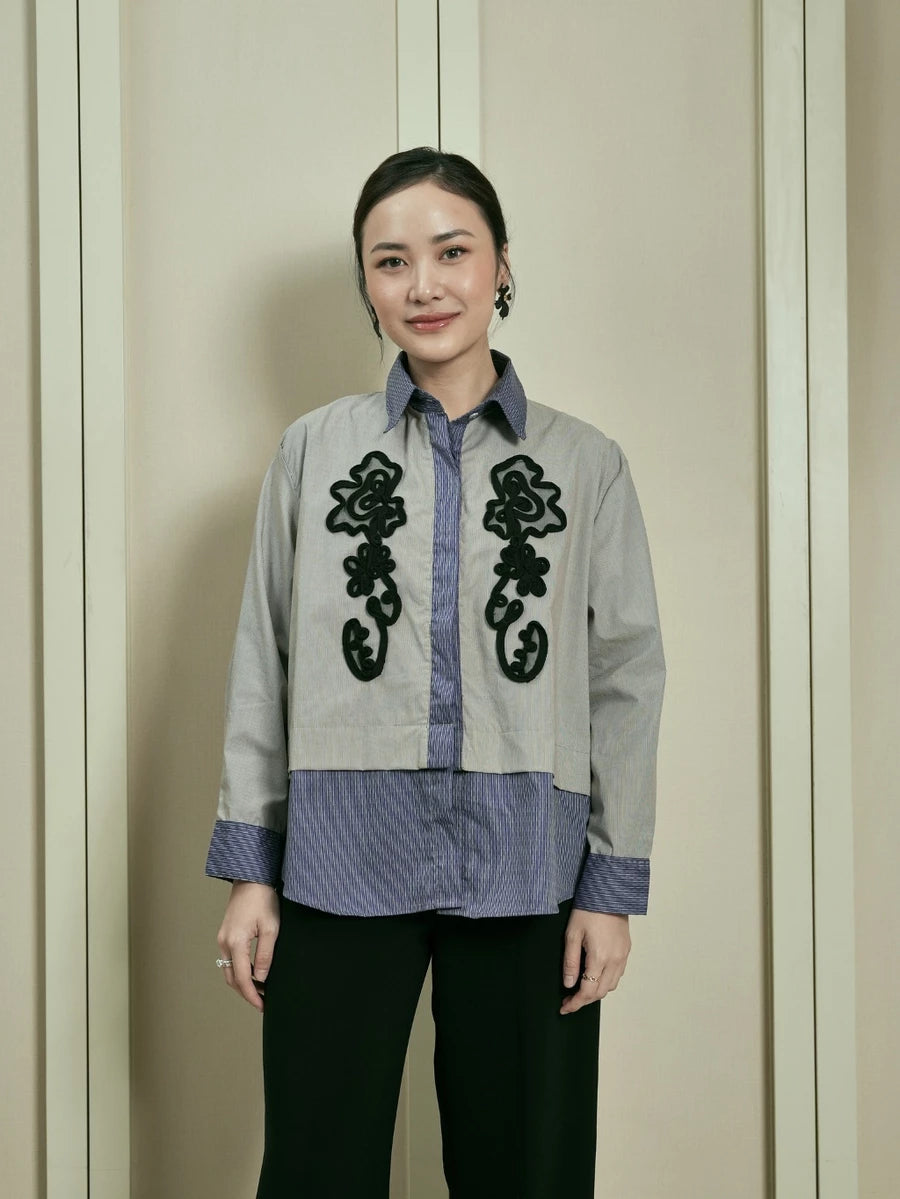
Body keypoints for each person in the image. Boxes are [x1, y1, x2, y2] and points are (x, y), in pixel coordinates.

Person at [205, 146, 666, 1198]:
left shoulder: (586, 465)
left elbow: (625, 678)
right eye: (391, 260)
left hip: (529, 867)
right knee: (318, 1167)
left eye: (452, 252)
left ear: (500, 264)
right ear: (365, 283)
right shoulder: (311, 456)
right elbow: (262, 657)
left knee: (527, 1173)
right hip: (336, 861)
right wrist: (250, 866)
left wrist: (610, 881)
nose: (424, 285)